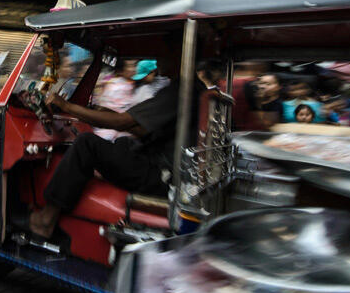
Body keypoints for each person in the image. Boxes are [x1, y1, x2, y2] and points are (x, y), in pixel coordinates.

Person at [27, 60, 226, 239]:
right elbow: (140, 127)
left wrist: (68, 107)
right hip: (162, 165)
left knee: (86, 143)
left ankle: (46, 219)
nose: (158, 59)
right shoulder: (189, 88)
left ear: (178, 51)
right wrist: (101, 113)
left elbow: (124, 122)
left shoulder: (181, 91)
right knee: (121, 144)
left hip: (160, 174)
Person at [93, 58, 137, 141]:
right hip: (112, 135)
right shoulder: (119, 87)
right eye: (131, 66)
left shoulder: (124, 83)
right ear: (122, 69)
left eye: (135, 65)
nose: (134, 69)